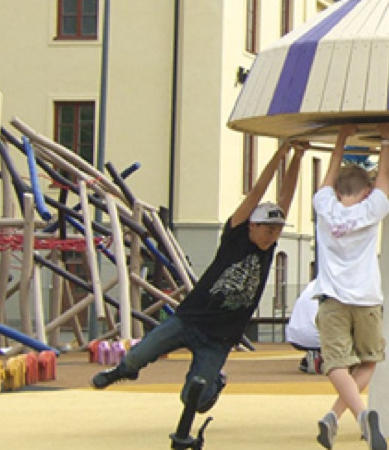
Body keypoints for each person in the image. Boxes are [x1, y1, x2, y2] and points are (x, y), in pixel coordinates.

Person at [91, 140, 306, 412]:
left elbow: (286, 196)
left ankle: (214, 381)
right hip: (189, 319)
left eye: (277, 231)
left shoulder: (268, 246)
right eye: (268, 230)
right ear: (253, 224)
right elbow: (257, 192)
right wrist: (280, 154)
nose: (273, 236)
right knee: (137, 357)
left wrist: (298, 156)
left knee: (195, 400)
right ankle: (122, 371)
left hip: (220, 338)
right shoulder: (236, 234)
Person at [312, 123, 389, 450]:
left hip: (332, 297)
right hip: (367, 299)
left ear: (336, 191)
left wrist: (341, 141)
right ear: (366, 191)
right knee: (370, 360)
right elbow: (385, 176)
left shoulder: (324, 207)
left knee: (335, 363)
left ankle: (341, 416)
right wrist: (386, 140)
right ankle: (357, 417)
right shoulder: (371, 208)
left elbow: (327, 181)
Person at [286, 278, 322, 372]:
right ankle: (327, 358)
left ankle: (316, 356)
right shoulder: (347, 285)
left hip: (295, 337)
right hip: (324, 338)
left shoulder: (313, 284)